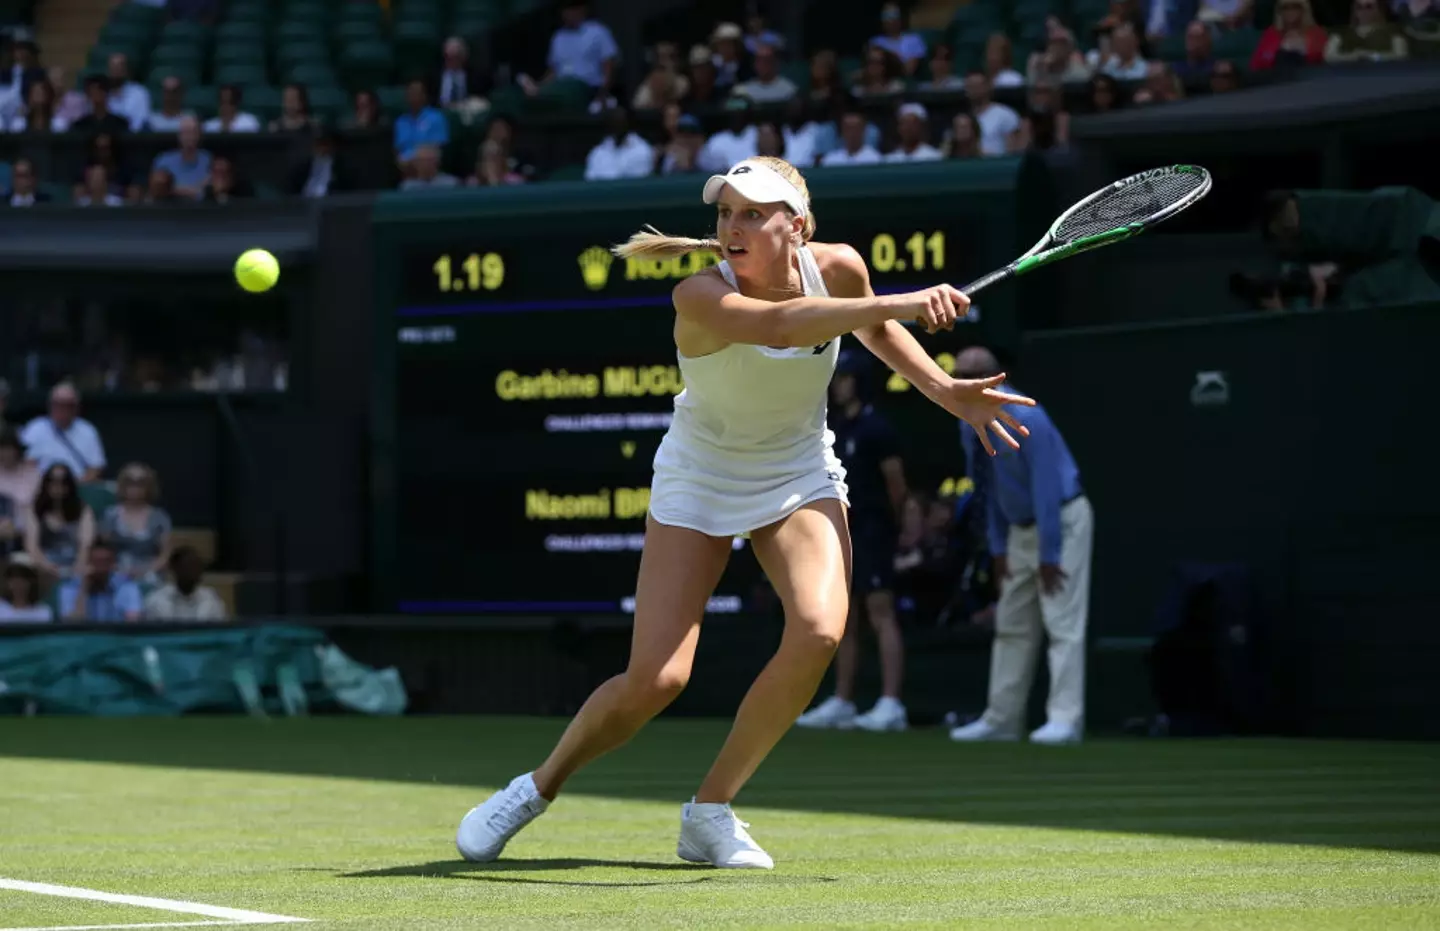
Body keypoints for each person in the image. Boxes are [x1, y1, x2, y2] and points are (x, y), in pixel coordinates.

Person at [454, 156, 1034, 870]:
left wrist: (948, 388)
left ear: (798, 225)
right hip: (699, 475)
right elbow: (785, 327)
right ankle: (535, 787)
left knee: (821, 627)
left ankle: (711, 810)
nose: (733, 225)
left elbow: (874, 338)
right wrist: (902, 301)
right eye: (726, 212)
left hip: (795, 467)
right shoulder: (698, 294)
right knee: (657, 681)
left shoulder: (841, 268)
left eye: (753, 213)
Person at [947, 346, 1093, 747]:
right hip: (1017, 531)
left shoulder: (1028, 418)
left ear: (996, 379)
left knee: (1062, 622)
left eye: (972, 374)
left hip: (1061, 521)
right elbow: (987, 484)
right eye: (958, 374)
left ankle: (1066, 720)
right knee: (1011, 624)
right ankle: (1003, 719)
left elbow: (1046, 487)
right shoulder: (966, 424)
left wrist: (1049, 554)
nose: (961, 381)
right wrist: (998, 548)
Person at [795, 350, 911, 731]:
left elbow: (896, 487)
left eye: (843, 378)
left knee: (881, 612)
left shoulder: (877, 429)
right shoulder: (836, 427)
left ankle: (891, 703)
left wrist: (896, 531)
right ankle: (843, 700)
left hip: (875, 531)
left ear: (858, 381)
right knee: (845, 617)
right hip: (843, 532)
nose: (837, 385)